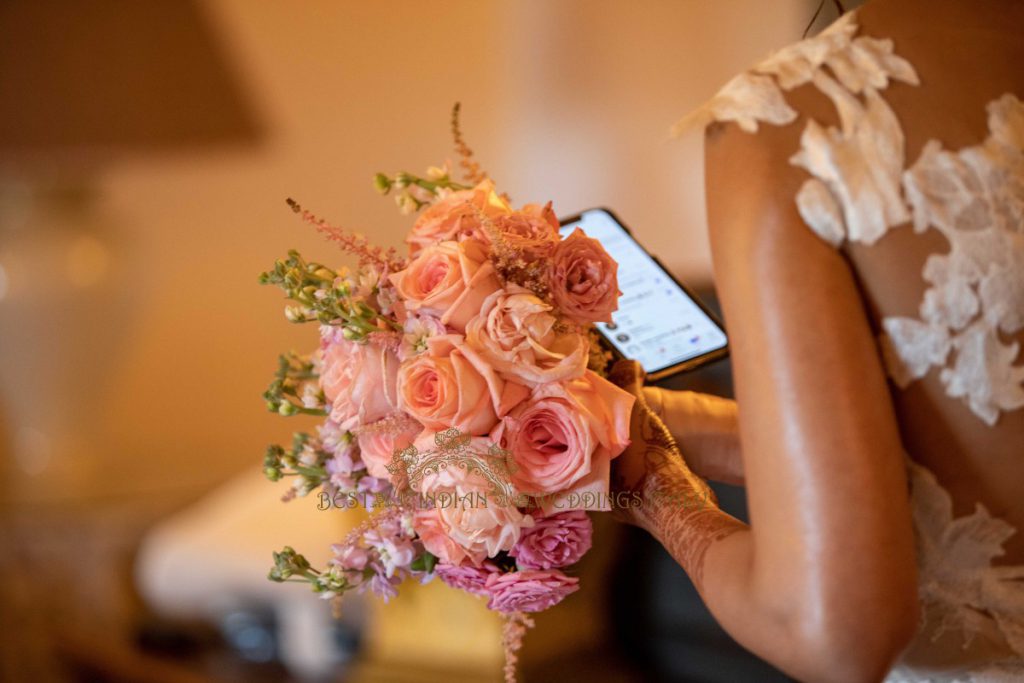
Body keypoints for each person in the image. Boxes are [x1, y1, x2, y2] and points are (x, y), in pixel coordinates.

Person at [608, 0, 1024, 680]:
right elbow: (950, 447)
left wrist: (661, 498)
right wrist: (670, 427)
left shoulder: (792, 122)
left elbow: (830, 630)